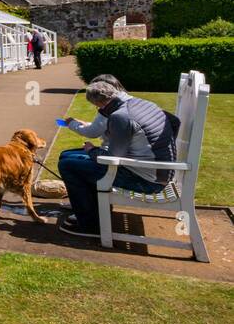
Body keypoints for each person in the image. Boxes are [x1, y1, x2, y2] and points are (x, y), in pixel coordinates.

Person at [56, 79, 176, 237]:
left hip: (147, 181)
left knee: (68, 165)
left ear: (100, 104)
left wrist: (91, 150)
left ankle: (90, 224)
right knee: (67, 155)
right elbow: (176, 122)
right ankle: (93, 207)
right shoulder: (141, 103)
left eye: (97, 107)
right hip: (158, 171)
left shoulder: (121, 116)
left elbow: (111, 158)